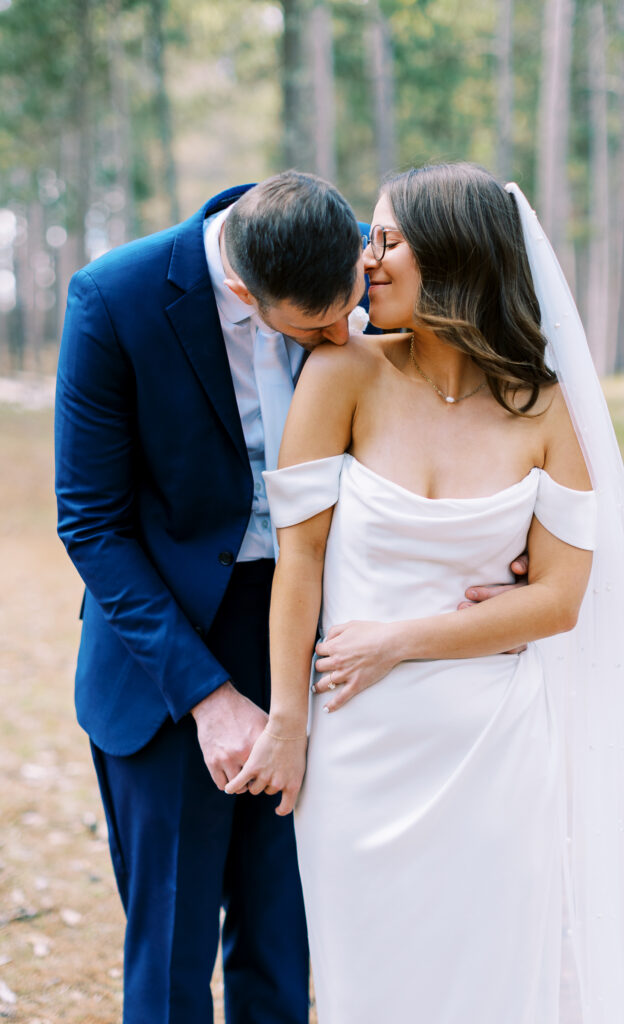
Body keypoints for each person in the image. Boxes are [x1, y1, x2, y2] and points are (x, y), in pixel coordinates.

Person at [227, 163, 624, 1023]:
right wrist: (290, 721)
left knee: (492, 988)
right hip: (358, 749)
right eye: (371, 237)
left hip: (494, 754)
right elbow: (302, 562)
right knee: (368, 988)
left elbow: (557, 600)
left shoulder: (543, 409)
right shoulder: (340, 373)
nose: (366, 261)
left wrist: (400, 638)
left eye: (388, 239)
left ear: (457, 258)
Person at [54, 171, 370, 1024]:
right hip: (169, 659)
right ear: (243, 289)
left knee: (285, 945)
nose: (349, 335)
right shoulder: (115, 298)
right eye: (319, 328)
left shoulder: (351, 266)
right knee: (171, 956)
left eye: (351, 307)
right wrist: (206, 697)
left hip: (315, 638)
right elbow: (91, 525)